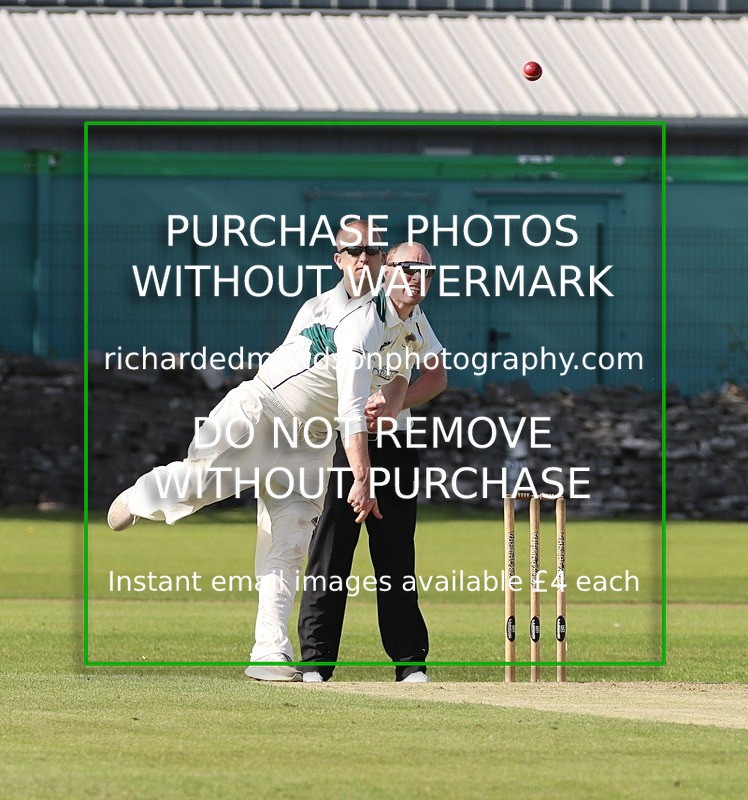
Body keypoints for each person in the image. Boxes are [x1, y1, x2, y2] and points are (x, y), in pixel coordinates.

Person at [107, 219, 414, 681]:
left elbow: (410, 353)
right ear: (338, 259)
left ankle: (269, 650)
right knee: (197, 485)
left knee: (289, 540)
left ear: (385, 259)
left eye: (373, 250)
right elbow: (352, 407)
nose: (363, 258)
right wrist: (364, 476)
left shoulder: (394, 311)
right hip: (261, 412)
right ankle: (142, 495)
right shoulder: (334, 312)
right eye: (353, 251)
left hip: (311, 440)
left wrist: (397, 389)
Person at [297, 241, 446, 683]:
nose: (417, 278)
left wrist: (398, 406)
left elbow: (436, 376)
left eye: (425, 271)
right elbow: (349, 411)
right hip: (348, 443)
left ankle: (410, 663)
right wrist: (361, 477)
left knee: (396, 555)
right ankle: (315, 664)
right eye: (407, 269)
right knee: (332, 551)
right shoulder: (363, 320)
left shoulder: (415, 318)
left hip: (394, 448)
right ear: (387, 273)